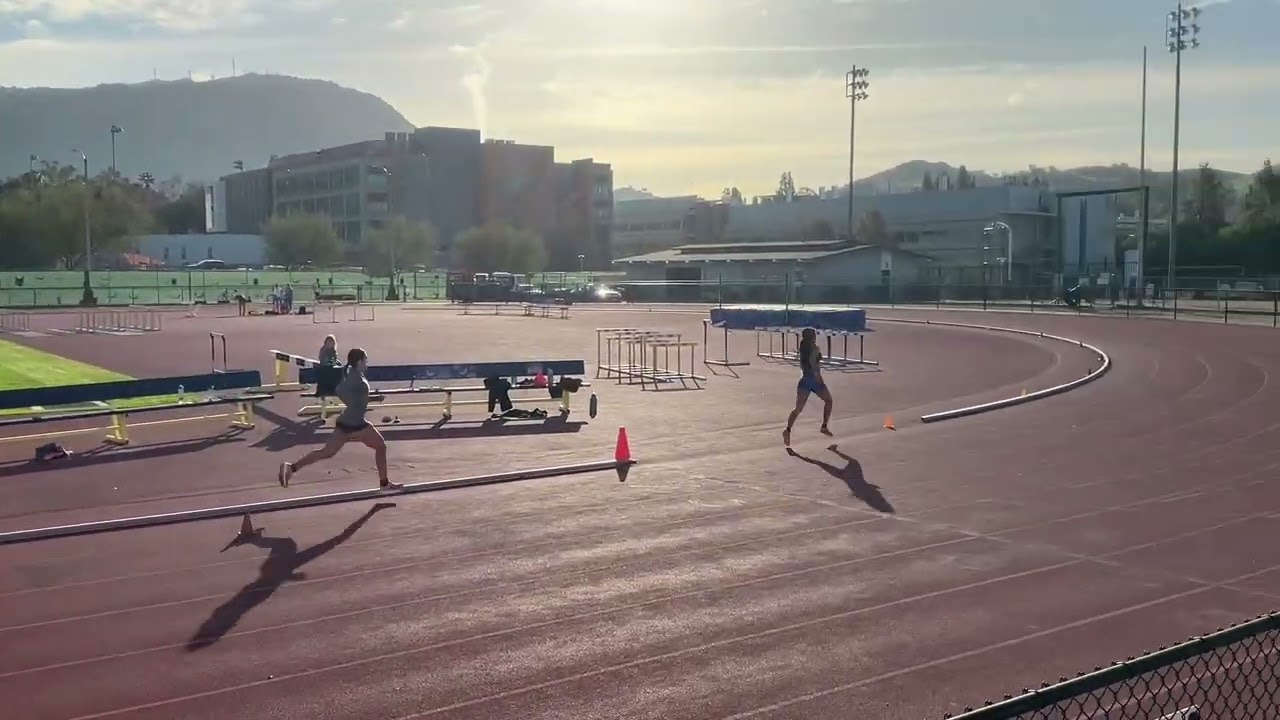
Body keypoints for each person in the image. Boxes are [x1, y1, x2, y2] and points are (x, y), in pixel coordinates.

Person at [279, 348, 402, 491]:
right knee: (381, 446)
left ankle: (292, 468)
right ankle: (384, 484)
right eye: (365, 359)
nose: (367, 362)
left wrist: (370, 399)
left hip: (346, 424)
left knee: (326, 452)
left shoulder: (352, 374)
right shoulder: (357, 379)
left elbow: (345, 392)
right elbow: (347, 394)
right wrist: (354, 404)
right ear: (359, 361)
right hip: (357, 425)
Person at [783, 328, 834, 447]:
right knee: (828, 400)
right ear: (812, 337)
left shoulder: (804, 348)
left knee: (798, 409)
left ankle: (788, 430)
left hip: (805, 381)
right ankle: (824, 426)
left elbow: (809, 363)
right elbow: (813, 363)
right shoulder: (812, 349)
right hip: (814, 381)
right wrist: (817, 376)